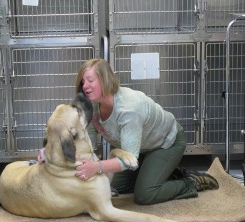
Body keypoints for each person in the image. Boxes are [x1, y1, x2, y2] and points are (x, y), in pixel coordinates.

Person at [73, 58, 219, 205]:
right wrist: (78, 159)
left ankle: (191, 182)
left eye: (90, 80)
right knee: (113, 187)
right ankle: (163, 174)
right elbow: (88, 139)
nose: (85, 86)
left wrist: (97, 166)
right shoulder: (93, 106)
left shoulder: (128, 110)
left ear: (105, 80)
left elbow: (129, 160)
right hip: (139, 148)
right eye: (83, 82)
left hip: (166, 143)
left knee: (145, 195)